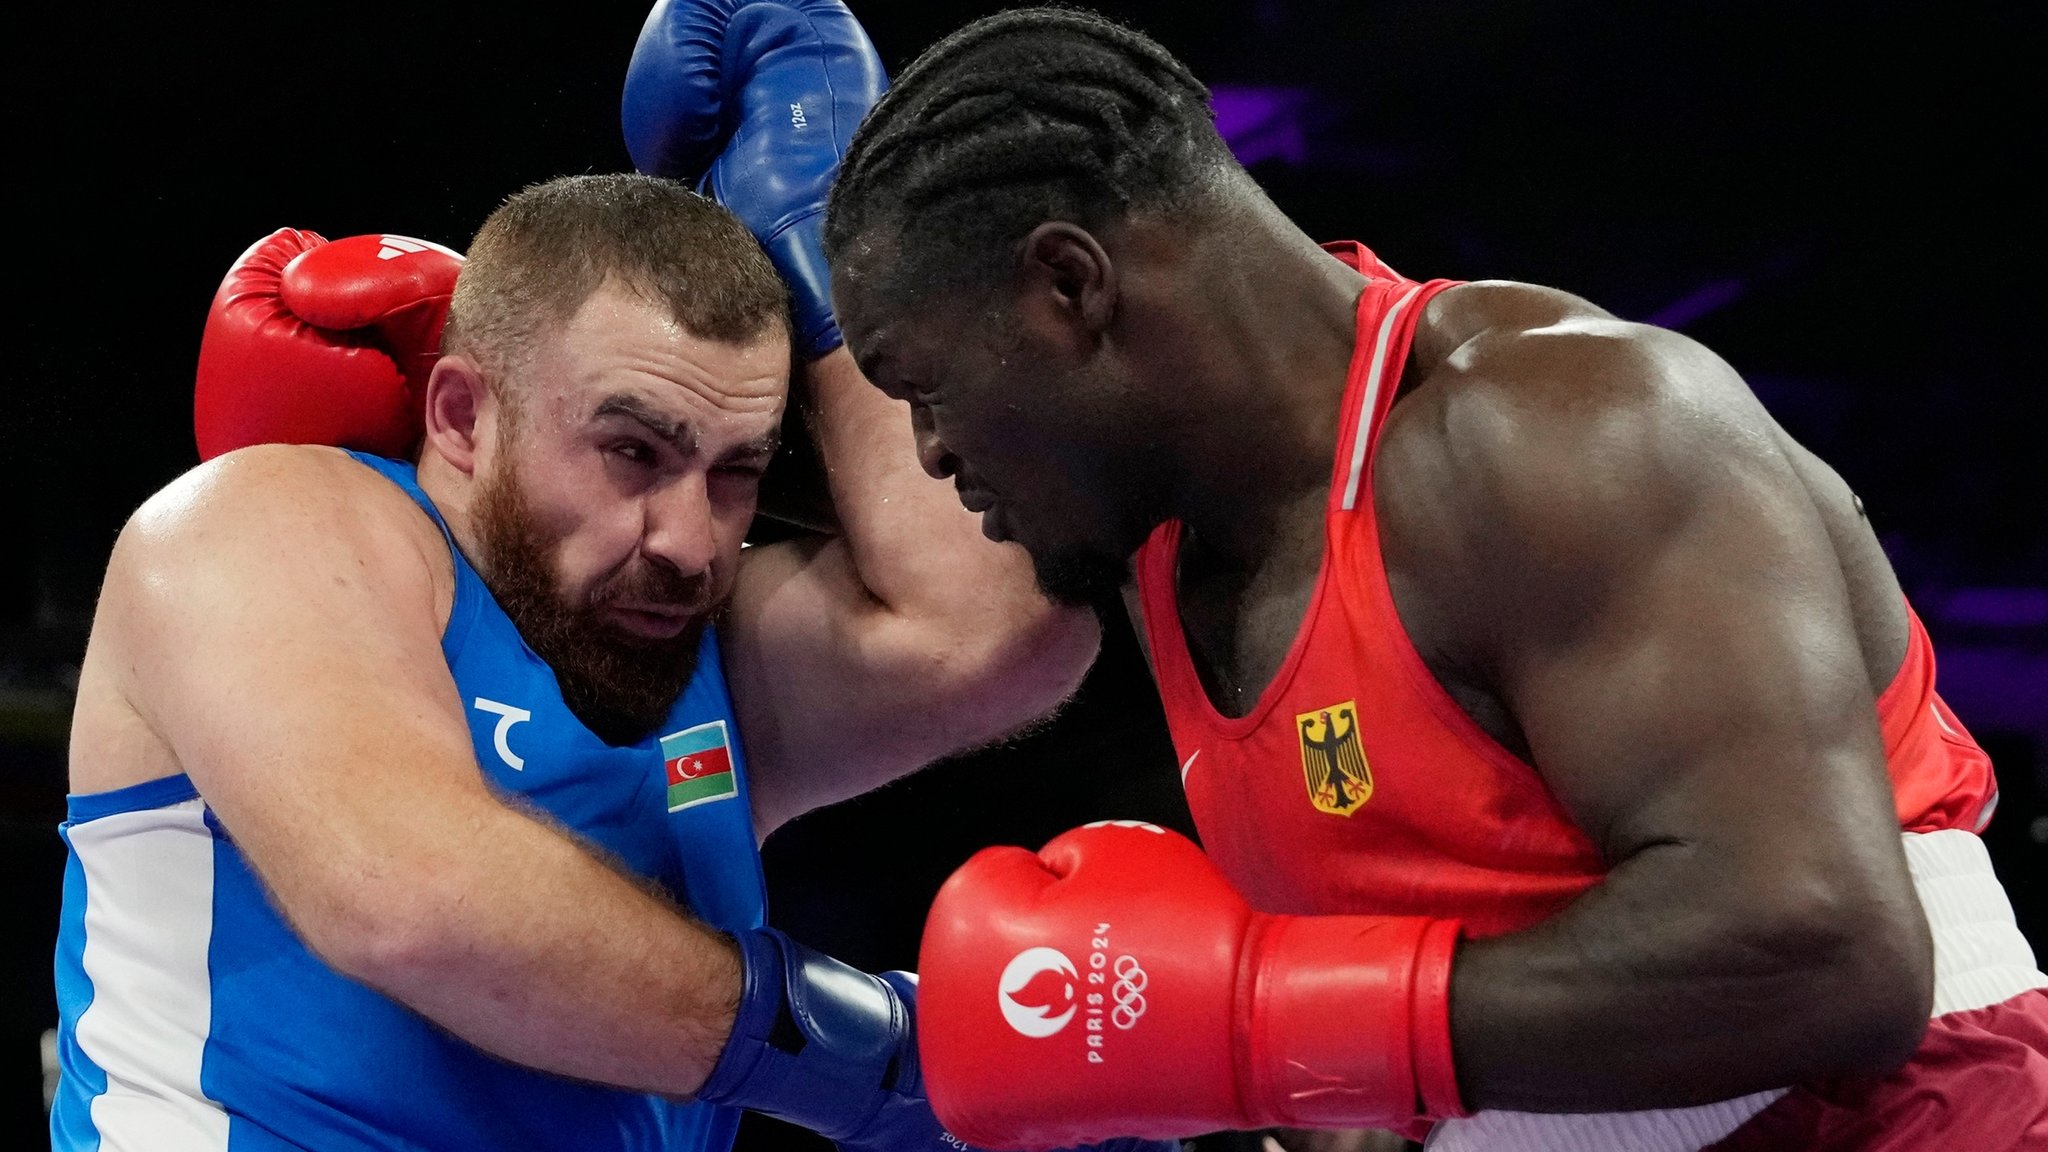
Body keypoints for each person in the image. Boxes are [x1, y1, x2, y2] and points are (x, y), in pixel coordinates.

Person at [820, 8, 2048, 1150]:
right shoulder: (1161, 549)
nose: (930, 450)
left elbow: (1827, 955)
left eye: (925, 387)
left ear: (1070, 287)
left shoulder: (1560, 434)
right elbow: (1425, 1037)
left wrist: (1257, 1024)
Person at [50, 4, 1179, 1151]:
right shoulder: (260, 519)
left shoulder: (681, 660)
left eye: (736, 471)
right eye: (632, 451)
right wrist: (893, 1060)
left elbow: (994, 628)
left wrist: (816, 231)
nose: (692, 542)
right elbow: (413, 895)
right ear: (461, 415)